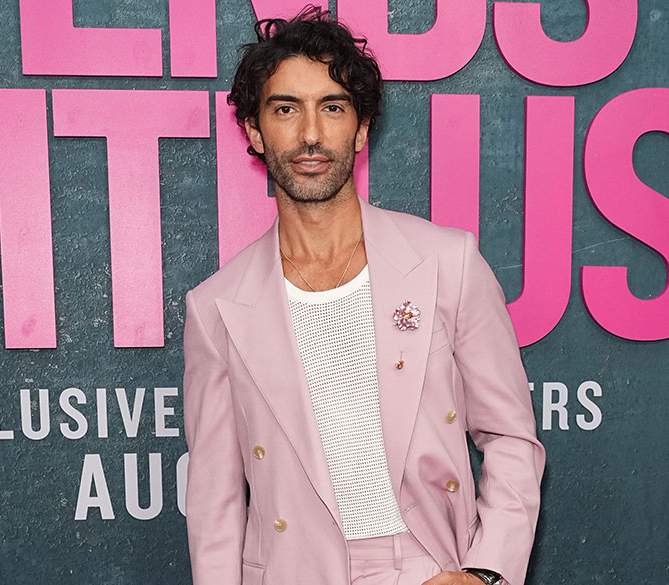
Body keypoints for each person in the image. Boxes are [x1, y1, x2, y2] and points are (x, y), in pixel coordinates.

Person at [183, 7, 545, 585]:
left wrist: (484, 574)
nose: (310, 134)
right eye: (284, 109)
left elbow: (509, 437)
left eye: (332, 107)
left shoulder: (447, 264)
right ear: (253, 130)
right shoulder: (215, 308)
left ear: (361, 127)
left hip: (430, 566)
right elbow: (215, 507)